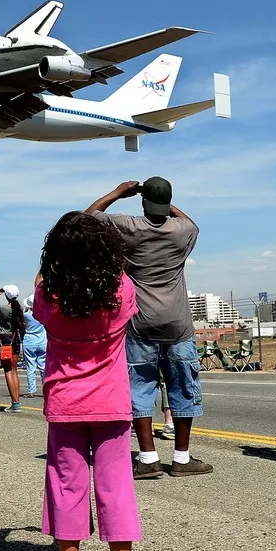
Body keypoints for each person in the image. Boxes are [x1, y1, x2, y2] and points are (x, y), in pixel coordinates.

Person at [34, 211, 151, 551]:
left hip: (65, 400)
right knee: (115, 484)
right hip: (111, 401)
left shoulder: (47, 291)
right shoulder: (120, 288)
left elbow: (42, 293)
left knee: (67, 483)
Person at [87, 178, 212, 478]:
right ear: (168, 202)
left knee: (140, 388)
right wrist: (163, 202)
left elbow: (88, 218)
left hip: (140, 322)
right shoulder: (184, 231)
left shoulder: (129, 226)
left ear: (143, 203)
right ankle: (181, 459)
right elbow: (188, 220)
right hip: (178, 324)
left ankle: (147, 457)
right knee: (183, 386)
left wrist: (119, 193)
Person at [0, 285, 25, 413]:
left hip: (5, 340)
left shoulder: (2, 309)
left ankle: (15, 403)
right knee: (14, 372)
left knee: (8, 372)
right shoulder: (18, 308)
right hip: (15, 339)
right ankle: (17, 402)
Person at [22, 294, 47, 398]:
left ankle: (31, 390)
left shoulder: (26, 315)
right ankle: (46, 389)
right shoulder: (43, 314)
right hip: (42, 341)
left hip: (29, 341)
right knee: (43, 367)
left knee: (30, 367)